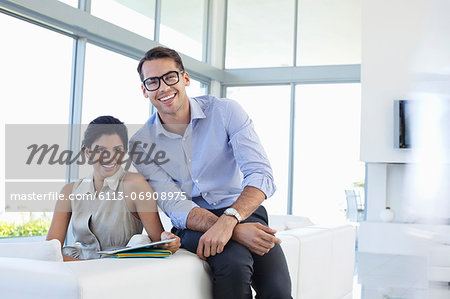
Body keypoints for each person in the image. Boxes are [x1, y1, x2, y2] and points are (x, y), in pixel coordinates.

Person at [129, 47, 292, 299]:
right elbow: (174, 204)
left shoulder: (226, 111)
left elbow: (260, 174)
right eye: (152, 82)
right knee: (234, 263)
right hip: (192, 224)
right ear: (144, 90)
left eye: (169, 77)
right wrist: (235, 230)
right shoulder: (141, 144)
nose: (162, 87)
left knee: (278, 290)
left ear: (185, 78)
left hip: (242, 211)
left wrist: (231, 221)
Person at [47, 115, 180, 261]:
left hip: (118, 273)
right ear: (88, 153)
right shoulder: (69, 191)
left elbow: (158, 243)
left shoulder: (136, 185)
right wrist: (86, 271)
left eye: (117, 149)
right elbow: (50, 250)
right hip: (77, 270)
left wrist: (168, 242)